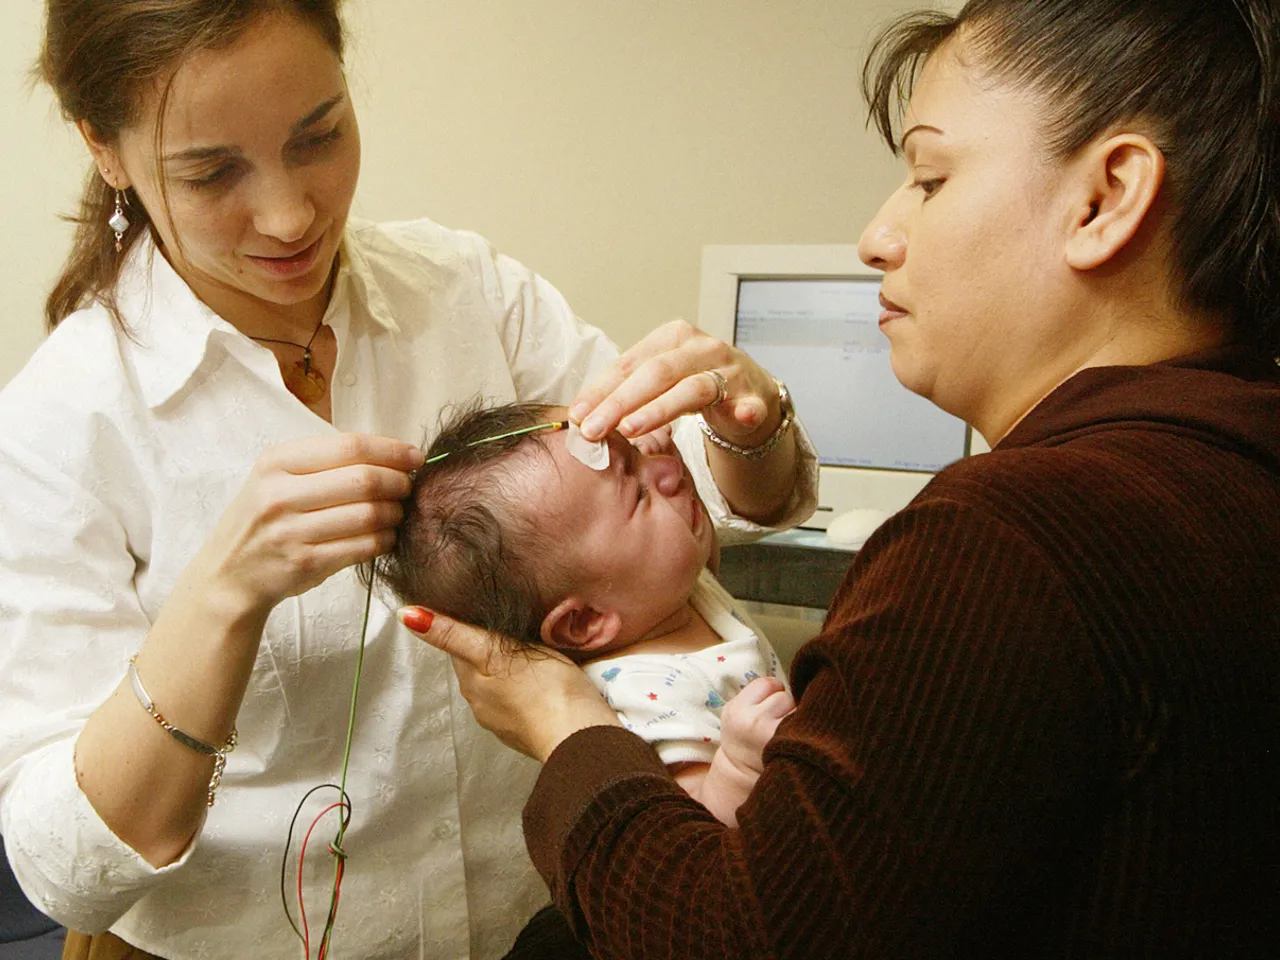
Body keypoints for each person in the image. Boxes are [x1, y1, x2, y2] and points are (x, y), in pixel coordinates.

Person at [402, 0, 1280, 957]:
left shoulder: (1009, 542)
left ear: (1106, 198)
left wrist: (565, 727)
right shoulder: (1230, 458)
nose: (876, 236)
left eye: (931, 178)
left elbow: (731, 939)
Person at [0, 2, 817, 958]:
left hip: (541, 923)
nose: (290, 214)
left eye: (321, 136)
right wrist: (221, 599)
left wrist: (751, 424)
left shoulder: (467, 292)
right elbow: (65, 869)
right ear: (105, 149)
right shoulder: (61, 426)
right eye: (212, 171)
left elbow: (715, 507)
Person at [376, 400, 797, 827]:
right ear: (585, 622)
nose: (669, 470)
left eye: (636, 457)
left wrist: (639, 457)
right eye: (638, 494)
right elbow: (695, 829)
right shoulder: (648, 697)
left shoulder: (661, 591)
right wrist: (738, 770)